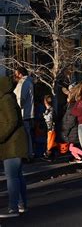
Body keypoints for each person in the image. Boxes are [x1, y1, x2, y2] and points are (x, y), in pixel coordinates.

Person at [0, 76, 28, 218]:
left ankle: (13, 208)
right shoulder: (9, 97)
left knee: (12, 177)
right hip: (15, 142)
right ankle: (22, 205)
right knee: (17, 176)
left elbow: (12, 121)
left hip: (12, 144)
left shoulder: (5, 100)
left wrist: (1, 136)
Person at [13, 67, 35, 161]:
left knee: (25, 135)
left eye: (16, 74)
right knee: (27, 135)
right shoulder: (28, 82)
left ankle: (27, 155)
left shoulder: (24, 83)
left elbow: (20, 99)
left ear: (20, 74)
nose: (15, 76)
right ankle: (28, 154)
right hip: (27, 112)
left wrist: (15, 109)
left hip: (23, 113)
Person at [61, 84, 82, 164]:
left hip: (73, 131)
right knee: (71, 148)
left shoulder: (72, 106)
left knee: (71, 148)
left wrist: (65, 132)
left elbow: (70, 120)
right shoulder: (75, 104)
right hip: (74, 130)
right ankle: (79, 158)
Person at [42, 95, 56, 161]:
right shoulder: (51, 109)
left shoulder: (49, 109)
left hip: (50, 128)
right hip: (51, 128)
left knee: (49, 142)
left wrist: (44, 116)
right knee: (50, 142)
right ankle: (50, 155)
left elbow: (49, 118)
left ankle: (48, 156)